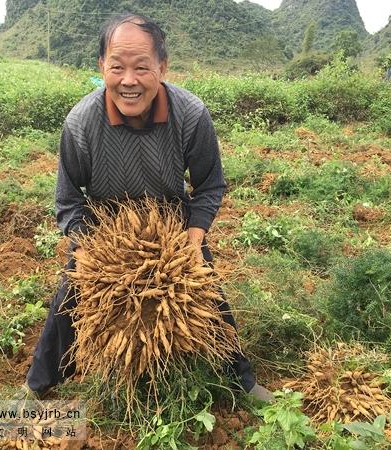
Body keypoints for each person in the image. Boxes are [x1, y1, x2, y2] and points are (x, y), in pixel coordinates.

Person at [20, 13, 274, 402]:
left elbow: (209, 186)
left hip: (172, 225)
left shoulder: (190, 114)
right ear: (102, 66)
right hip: (106, 230)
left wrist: (194, 237)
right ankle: (39, 384)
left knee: (209, 294)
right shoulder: (81, 123)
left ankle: (242, 381)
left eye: (142, 68)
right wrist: (86, 249)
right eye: (117, 67)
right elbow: (68, 200)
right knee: (69, 298)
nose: (129, 80)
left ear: (162, 67)